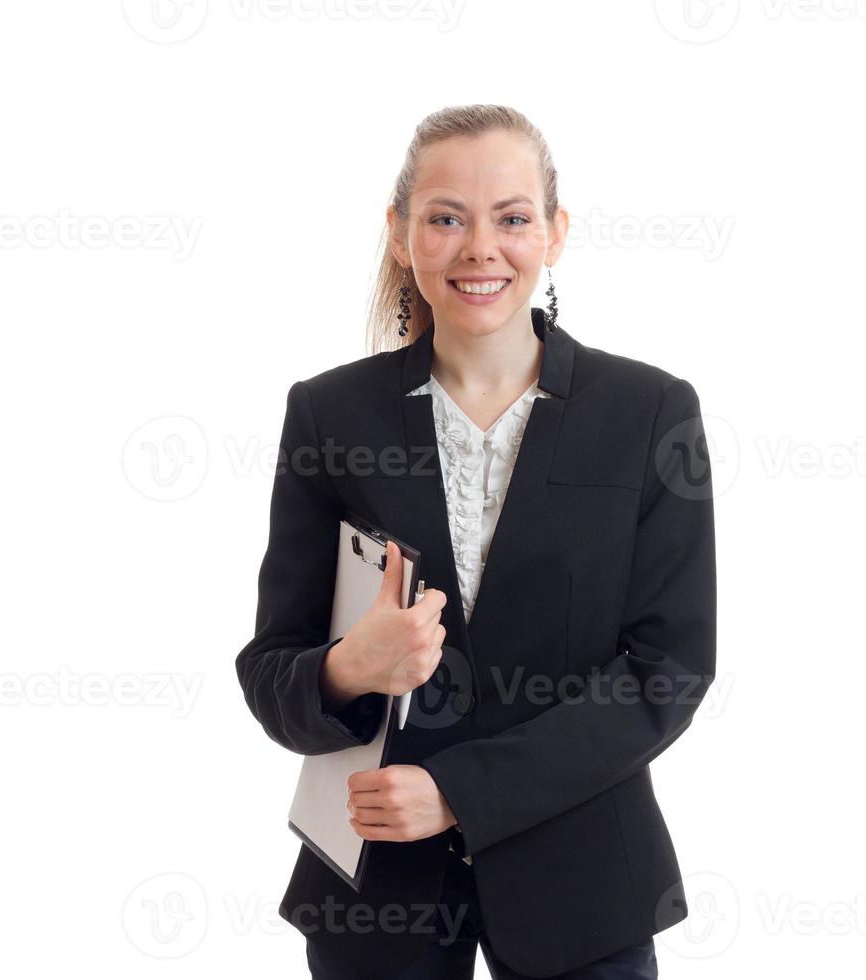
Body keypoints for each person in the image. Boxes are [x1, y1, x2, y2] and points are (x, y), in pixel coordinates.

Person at [236, 104, 717, 979]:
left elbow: (668, 671)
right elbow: (270, 670)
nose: (478, 248)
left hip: (583, 883)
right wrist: (350, 665)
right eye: (446, 217)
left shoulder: (647, 413)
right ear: (399, 233)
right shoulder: (329, 414)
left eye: (513, 217)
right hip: (378, 895)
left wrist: (462, 794)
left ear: (556, 233)